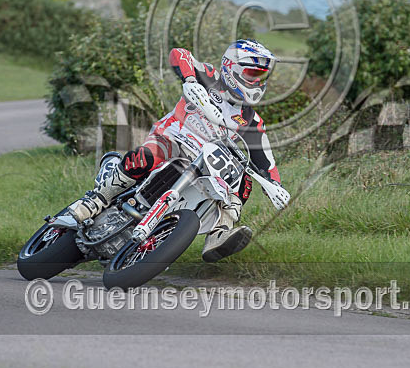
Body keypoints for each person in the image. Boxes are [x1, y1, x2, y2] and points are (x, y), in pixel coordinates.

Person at [65, 39, 286, 262]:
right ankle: (97, 199)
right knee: (148, 156)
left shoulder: (252, 121)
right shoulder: (209, 76)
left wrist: (275, 186)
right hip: (172, 138)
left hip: (203, 161)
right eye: (252, 73)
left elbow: (266, 161)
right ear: (231, 67)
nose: (256, 81)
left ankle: (219, 232)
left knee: (244, 180)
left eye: (261, 76)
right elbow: (179, 54)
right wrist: (190, 80)